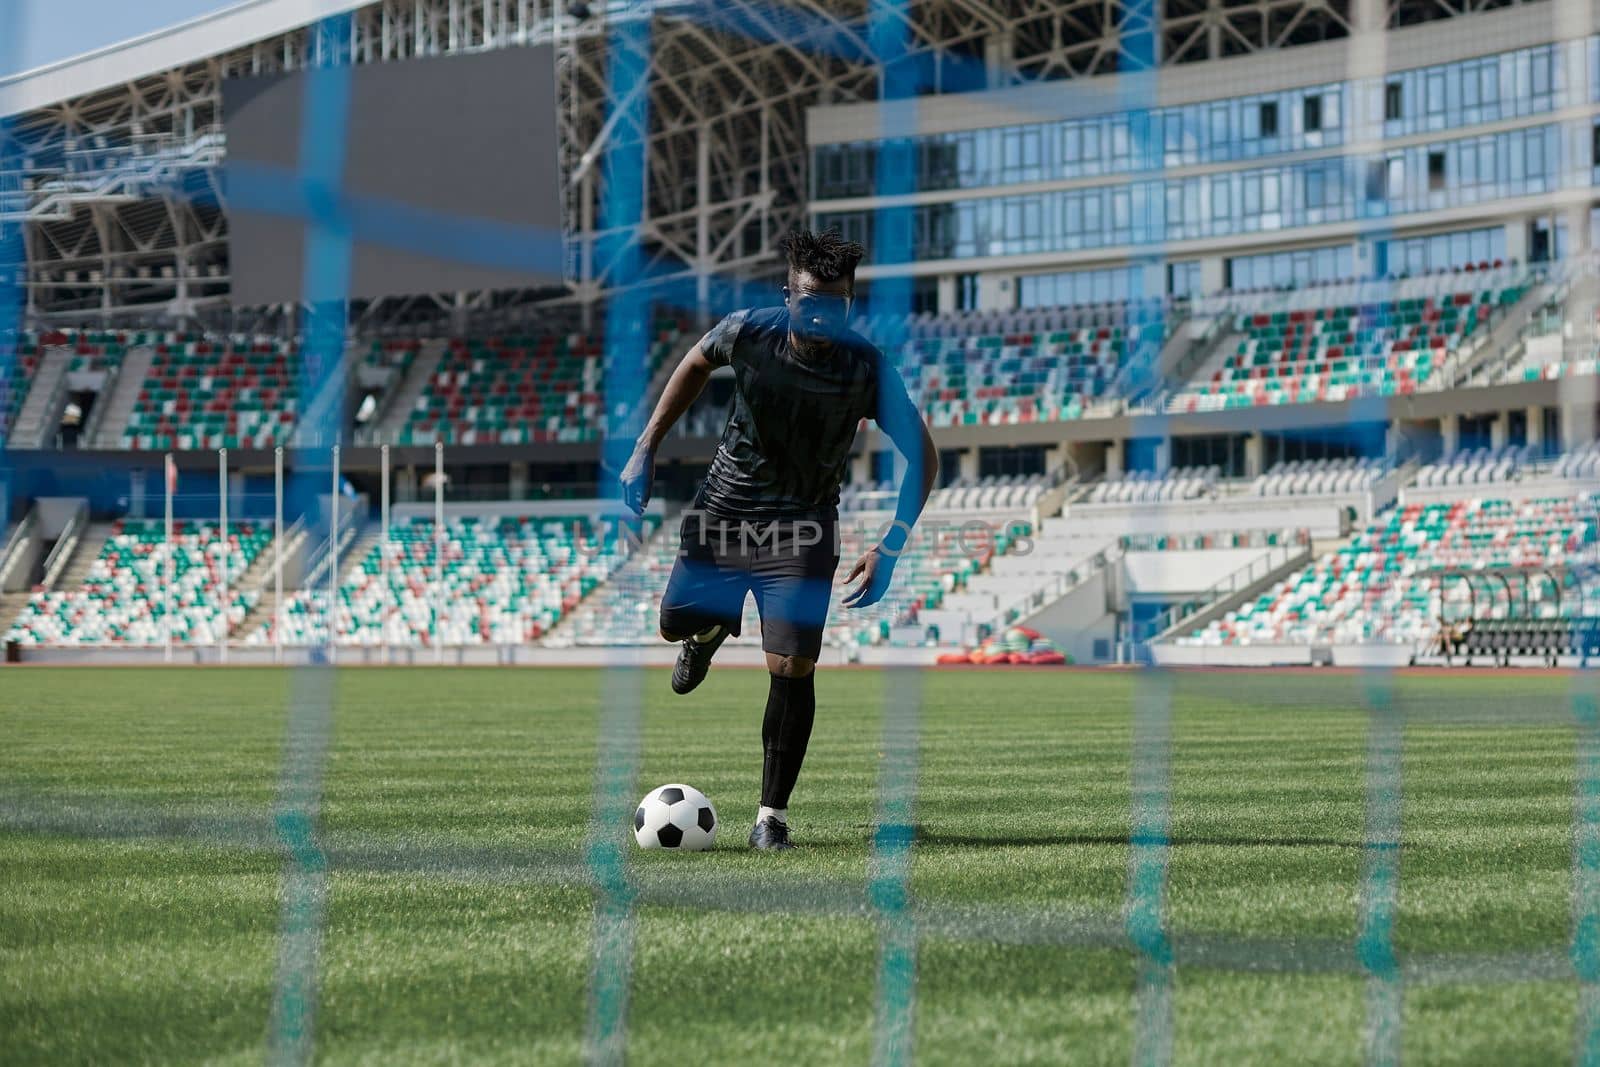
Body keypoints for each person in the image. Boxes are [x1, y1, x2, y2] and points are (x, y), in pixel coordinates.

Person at [620, 229, 937, 851]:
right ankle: (706, 632)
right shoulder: (748, 331)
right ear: (787, 296)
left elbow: (923, 457)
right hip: (723, 511)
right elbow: (694, 362)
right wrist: (645, 446)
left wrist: (891, 546)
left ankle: (771, 816)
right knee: (671, 622)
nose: (824, 314)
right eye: (812, 299)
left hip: (804, 528)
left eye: (838, 304)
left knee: (792, 667)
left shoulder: (867, 368)